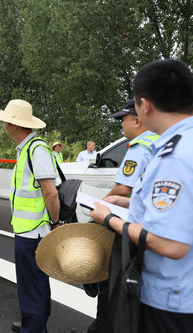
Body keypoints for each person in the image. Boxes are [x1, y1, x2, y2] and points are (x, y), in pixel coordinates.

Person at [91, 59, 193, 332]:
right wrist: (130, 202)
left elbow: (171, 244)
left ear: (144, 106)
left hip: (172, 299)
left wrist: (110, 218)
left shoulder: (174, 156)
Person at [86, 99, 158, 333]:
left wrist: (100, 207)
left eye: (123, 120)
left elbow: (122, 188)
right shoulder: (162, 142)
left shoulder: (139, 147)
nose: (121, 125)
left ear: (137, 120)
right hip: (152, 229)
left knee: (112, 287)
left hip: (128, 228)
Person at [0, 99, 60, 333]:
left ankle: (34, 327)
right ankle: (33, 323)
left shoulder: (37, 150)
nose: (3, 125)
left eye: (6, 121)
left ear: (15, 125)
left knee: (33, 287)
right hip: (26, 230)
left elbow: (50, 193)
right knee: (32, 285)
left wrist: (56, 223)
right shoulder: (27, 149)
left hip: (34, 233)